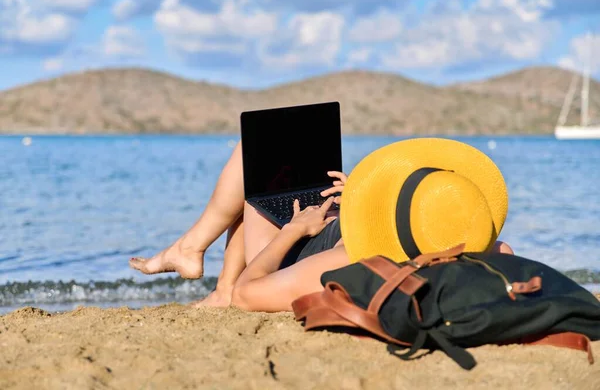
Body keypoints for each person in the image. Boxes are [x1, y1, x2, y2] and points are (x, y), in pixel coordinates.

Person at [130, 138, 514, 312]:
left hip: (294, 249)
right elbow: (505, 255)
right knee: (272, 157)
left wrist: (294, 230)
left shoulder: (348, 263)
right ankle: (190, 248)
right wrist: (364, 198)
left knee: (254, 156)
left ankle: (206, 271)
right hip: (351, 226)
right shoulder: (482, 247)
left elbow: (250, 294)